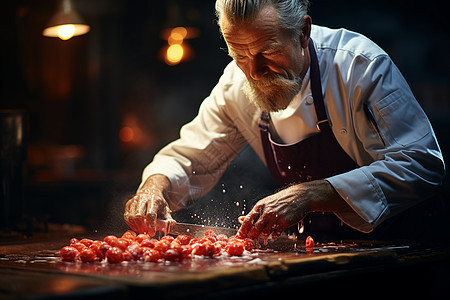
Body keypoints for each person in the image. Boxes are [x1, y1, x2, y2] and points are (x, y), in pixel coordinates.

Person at [124, 0, 445, 241]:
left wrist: (311, 194)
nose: (254, 72)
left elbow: (422, 165)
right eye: (240, 56)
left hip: (399, 250)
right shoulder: (236, 84)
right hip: (317, 251)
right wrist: (156, 185)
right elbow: (190, 156)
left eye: (268, 52)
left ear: (303, 31)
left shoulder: (358, 66)